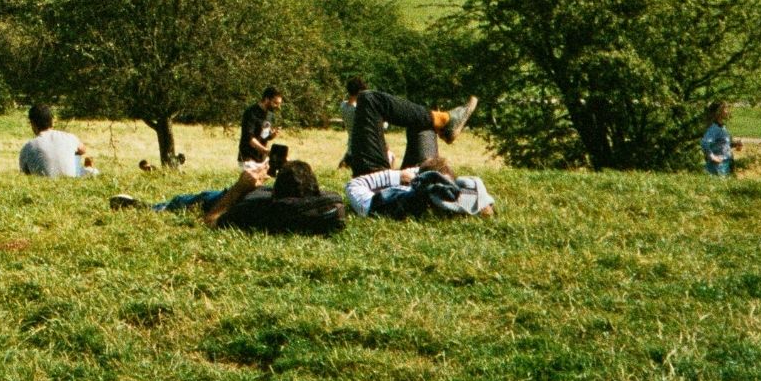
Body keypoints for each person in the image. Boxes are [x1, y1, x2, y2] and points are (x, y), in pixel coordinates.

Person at [116, 160, 345, 236]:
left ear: (277, 193)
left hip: (230, 198)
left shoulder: (258, 212)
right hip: (264, 193)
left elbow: (210, 221)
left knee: (184, 201)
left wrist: (239, 188)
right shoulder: (328, 206)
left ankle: (147, 207)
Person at [341, 79, 478, 177]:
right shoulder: (428, 190)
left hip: (375, 182)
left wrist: (397, 177)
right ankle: (443, 121)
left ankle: (443, 121)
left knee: (415, 119)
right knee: (369, 98)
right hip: (418, 180)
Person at [344, 156, 497, 218]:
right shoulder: (467, 192)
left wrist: (398, 175)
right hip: (429, 180)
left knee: (422, 125)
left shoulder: (393, 199)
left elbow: (353, 184)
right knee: (423, 127)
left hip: (402, 189)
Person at [18, 103, 90, 178]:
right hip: (70, 178)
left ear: (33, 124)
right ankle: (86, 170)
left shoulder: (27, 147)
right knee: (76, 154)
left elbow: (24, 173)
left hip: (42, 181)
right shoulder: (68, 137)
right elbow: (83, 150)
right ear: (51, 121)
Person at [239, 87, 282, 168]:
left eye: (279, 103)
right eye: (276, 103)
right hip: (248, 159)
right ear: (266, 99)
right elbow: (250, 139)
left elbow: (264, 136)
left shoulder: (270, 114)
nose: (278, 107)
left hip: (261, 159)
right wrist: (266, 151)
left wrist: (272, 135)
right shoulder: (251, 113)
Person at [700, 102, 736, 177]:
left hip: (726, 165)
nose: (728, 111)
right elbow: (704, 143)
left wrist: (735, 144)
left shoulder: (722, 127)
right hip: (718, 167)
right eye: (725, 109)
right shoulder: (714, 128)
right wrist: (712, 157)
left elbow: (722, 144)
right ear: (719, 112)